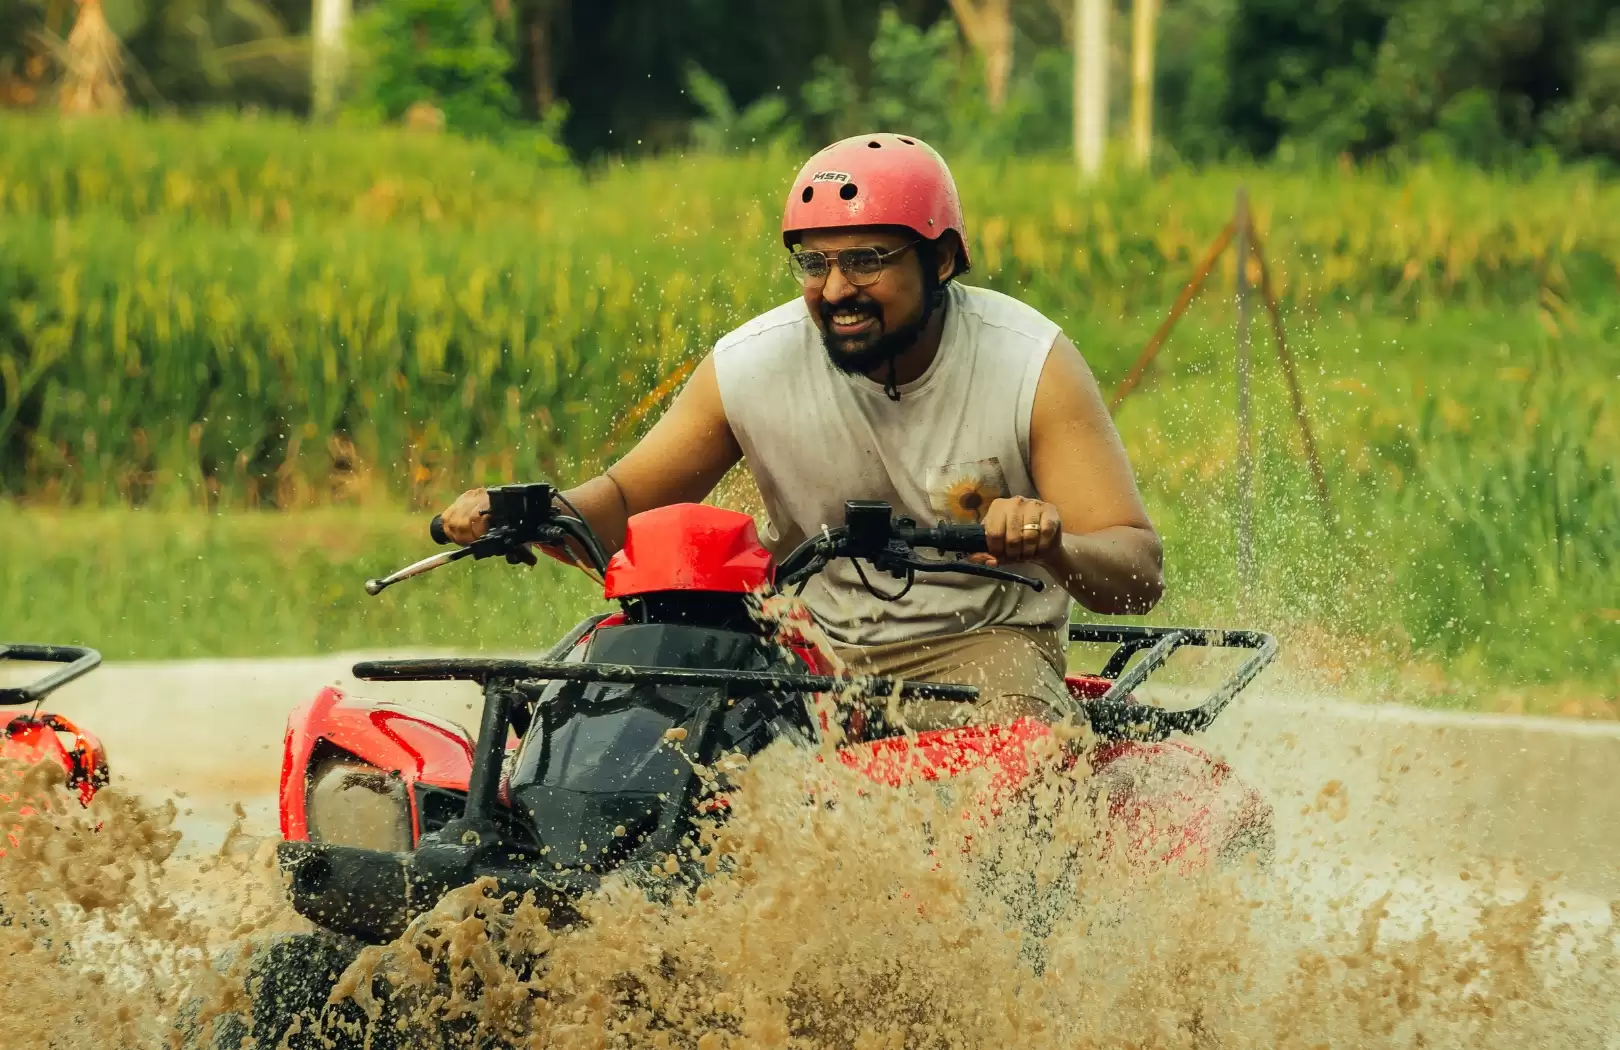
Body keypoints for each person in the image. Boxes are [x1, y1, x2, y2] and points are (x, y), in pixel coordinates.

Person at [440, 132, 1163, 727]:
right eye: (813, 263)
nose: (836, 289)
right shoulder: (751, 364)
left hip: (981, 644)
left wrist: (1055, 544)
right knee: (629, 744)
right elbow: (627, 499)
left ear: (940, 258)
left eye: (866, 261)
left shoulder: (1031, 363)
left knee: (1024, 761)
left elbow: (1137, 572)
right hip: (802, 650)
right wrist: (525, 512)